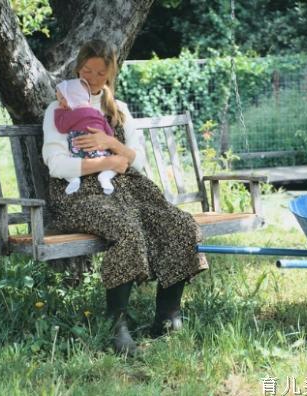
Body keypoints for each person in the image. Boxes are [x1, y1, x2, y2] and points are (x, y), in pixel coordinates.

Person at [42, 39, 208, 356]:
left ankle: (168, 316)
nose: (91, 77)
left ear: (109, 75)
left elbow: (139, 162)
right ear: (78, 68)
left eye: (99, 72)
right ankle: (115, 325)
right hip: (78, 194)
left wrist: (110, 143)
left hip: (127, 188)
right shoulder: (58, 110)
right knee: (126, 229)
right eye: (86, 70)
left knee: (180, 224)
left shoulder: (119, 111)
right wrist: (107, 162)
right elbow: (57, 164)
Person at [54, 78, 116, 195]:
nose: (60, 103)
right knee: (114, 165)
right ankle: (105, 177)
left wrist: (59, 112)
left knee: (64, 167)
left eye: (62, 99)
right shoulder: (97, 113)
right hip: (100, 154)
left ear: (72, 97)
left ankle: (74, 179)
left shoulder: (71, 114)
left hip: (80, 155)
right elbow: (110, 134)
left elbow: (61, 127)